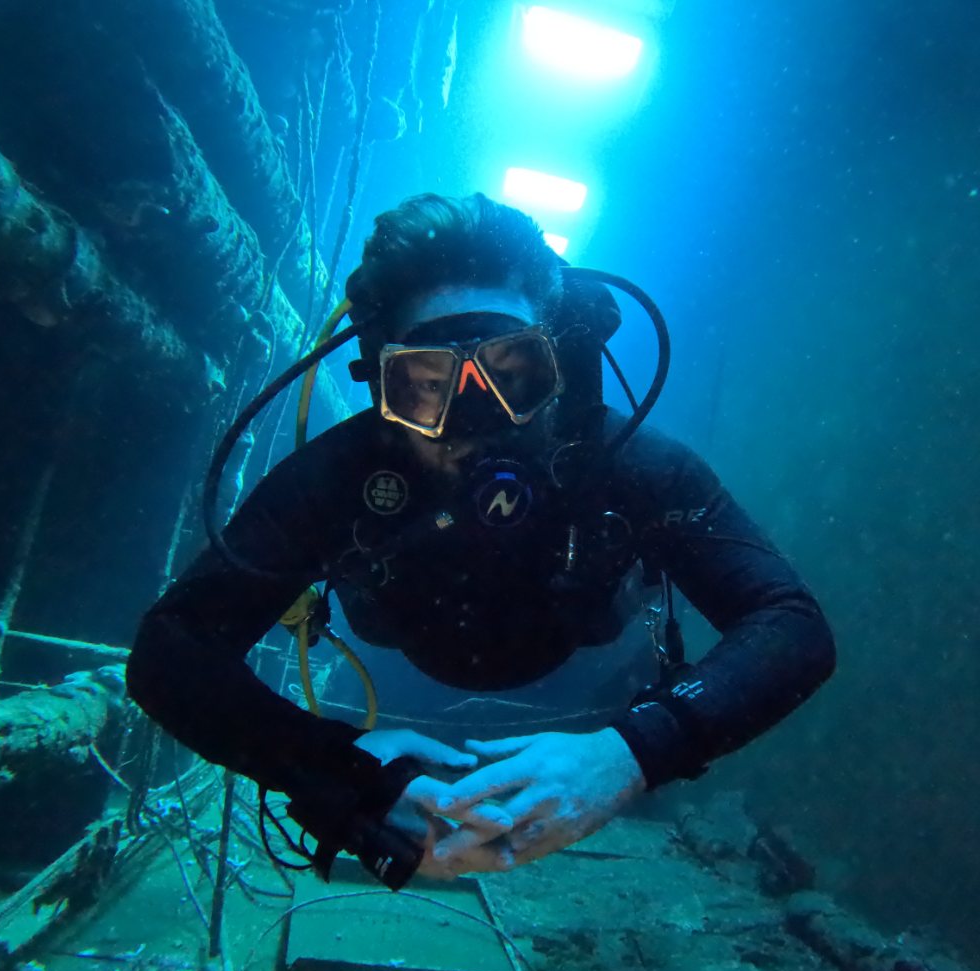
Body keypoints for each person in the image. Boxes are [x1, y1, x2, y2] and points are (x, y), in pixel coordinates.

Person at [125, 193, 836, 888]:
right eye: (426, 383)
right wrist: (340, 771)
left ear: (557, 361)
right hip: (419, 640)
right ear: (380, 381)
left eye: (512, 373)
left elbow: (791, 624)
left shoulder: (631, 463)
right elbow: (172, 648)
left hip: (573, 644)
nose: (476, 418)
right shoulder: (343, 474)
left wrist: (631, 752)